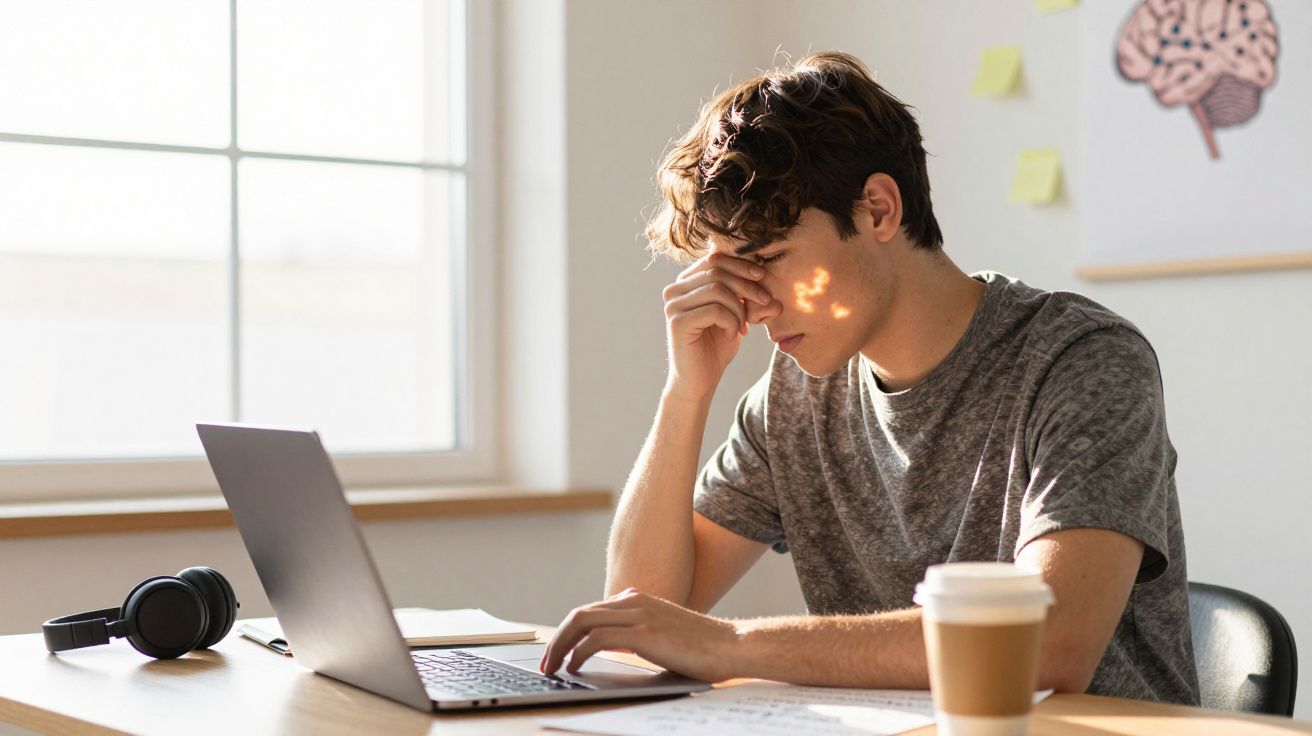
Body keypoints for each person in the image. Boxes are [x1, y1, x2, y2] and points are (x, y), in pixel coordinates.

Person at [539, 51, 1198, 705]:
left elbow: (1048, 645)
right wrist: (686, 390)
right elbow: (641, 620)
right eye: (733, 272)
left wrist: (731, 644)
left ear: (878, 209)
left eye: (768, 257)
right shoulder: (794, 396)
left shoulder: (1081, 360)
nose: (752, 304)